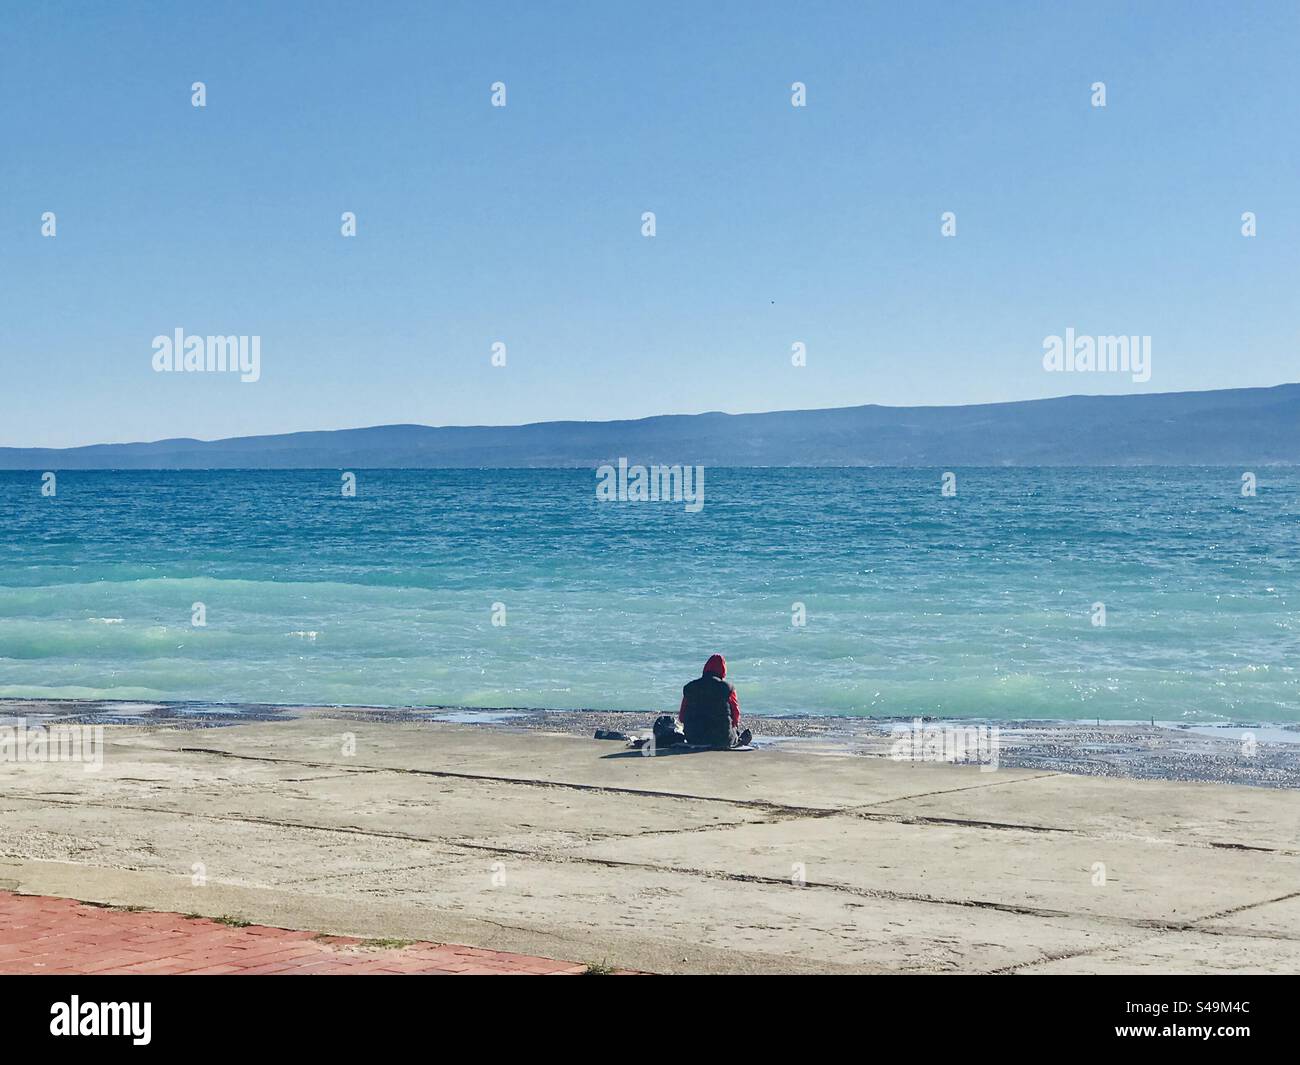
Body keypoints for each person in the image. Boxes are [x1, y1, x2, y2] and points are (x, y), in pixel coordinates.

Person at [678, 654, 752, 748]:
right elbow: (735, 716)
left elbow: (682, 717)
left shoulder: (689, 687)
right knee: (735, 733)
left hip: (694, 737)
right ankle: (739, 739)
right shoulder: (728, 688)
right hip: (721, 738)